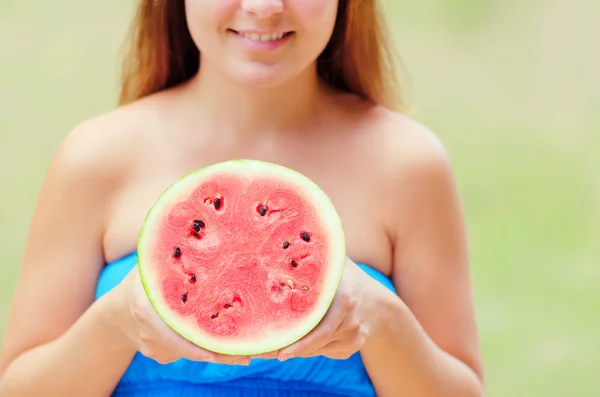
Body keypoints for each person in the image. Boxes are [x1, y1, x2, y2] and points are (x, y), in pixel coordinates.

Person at [0, 1, 485, 396]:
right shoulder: (95, 158)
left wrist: (381, 320)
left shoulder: (409, 163)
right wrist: (115, 324)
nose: (264, 7)